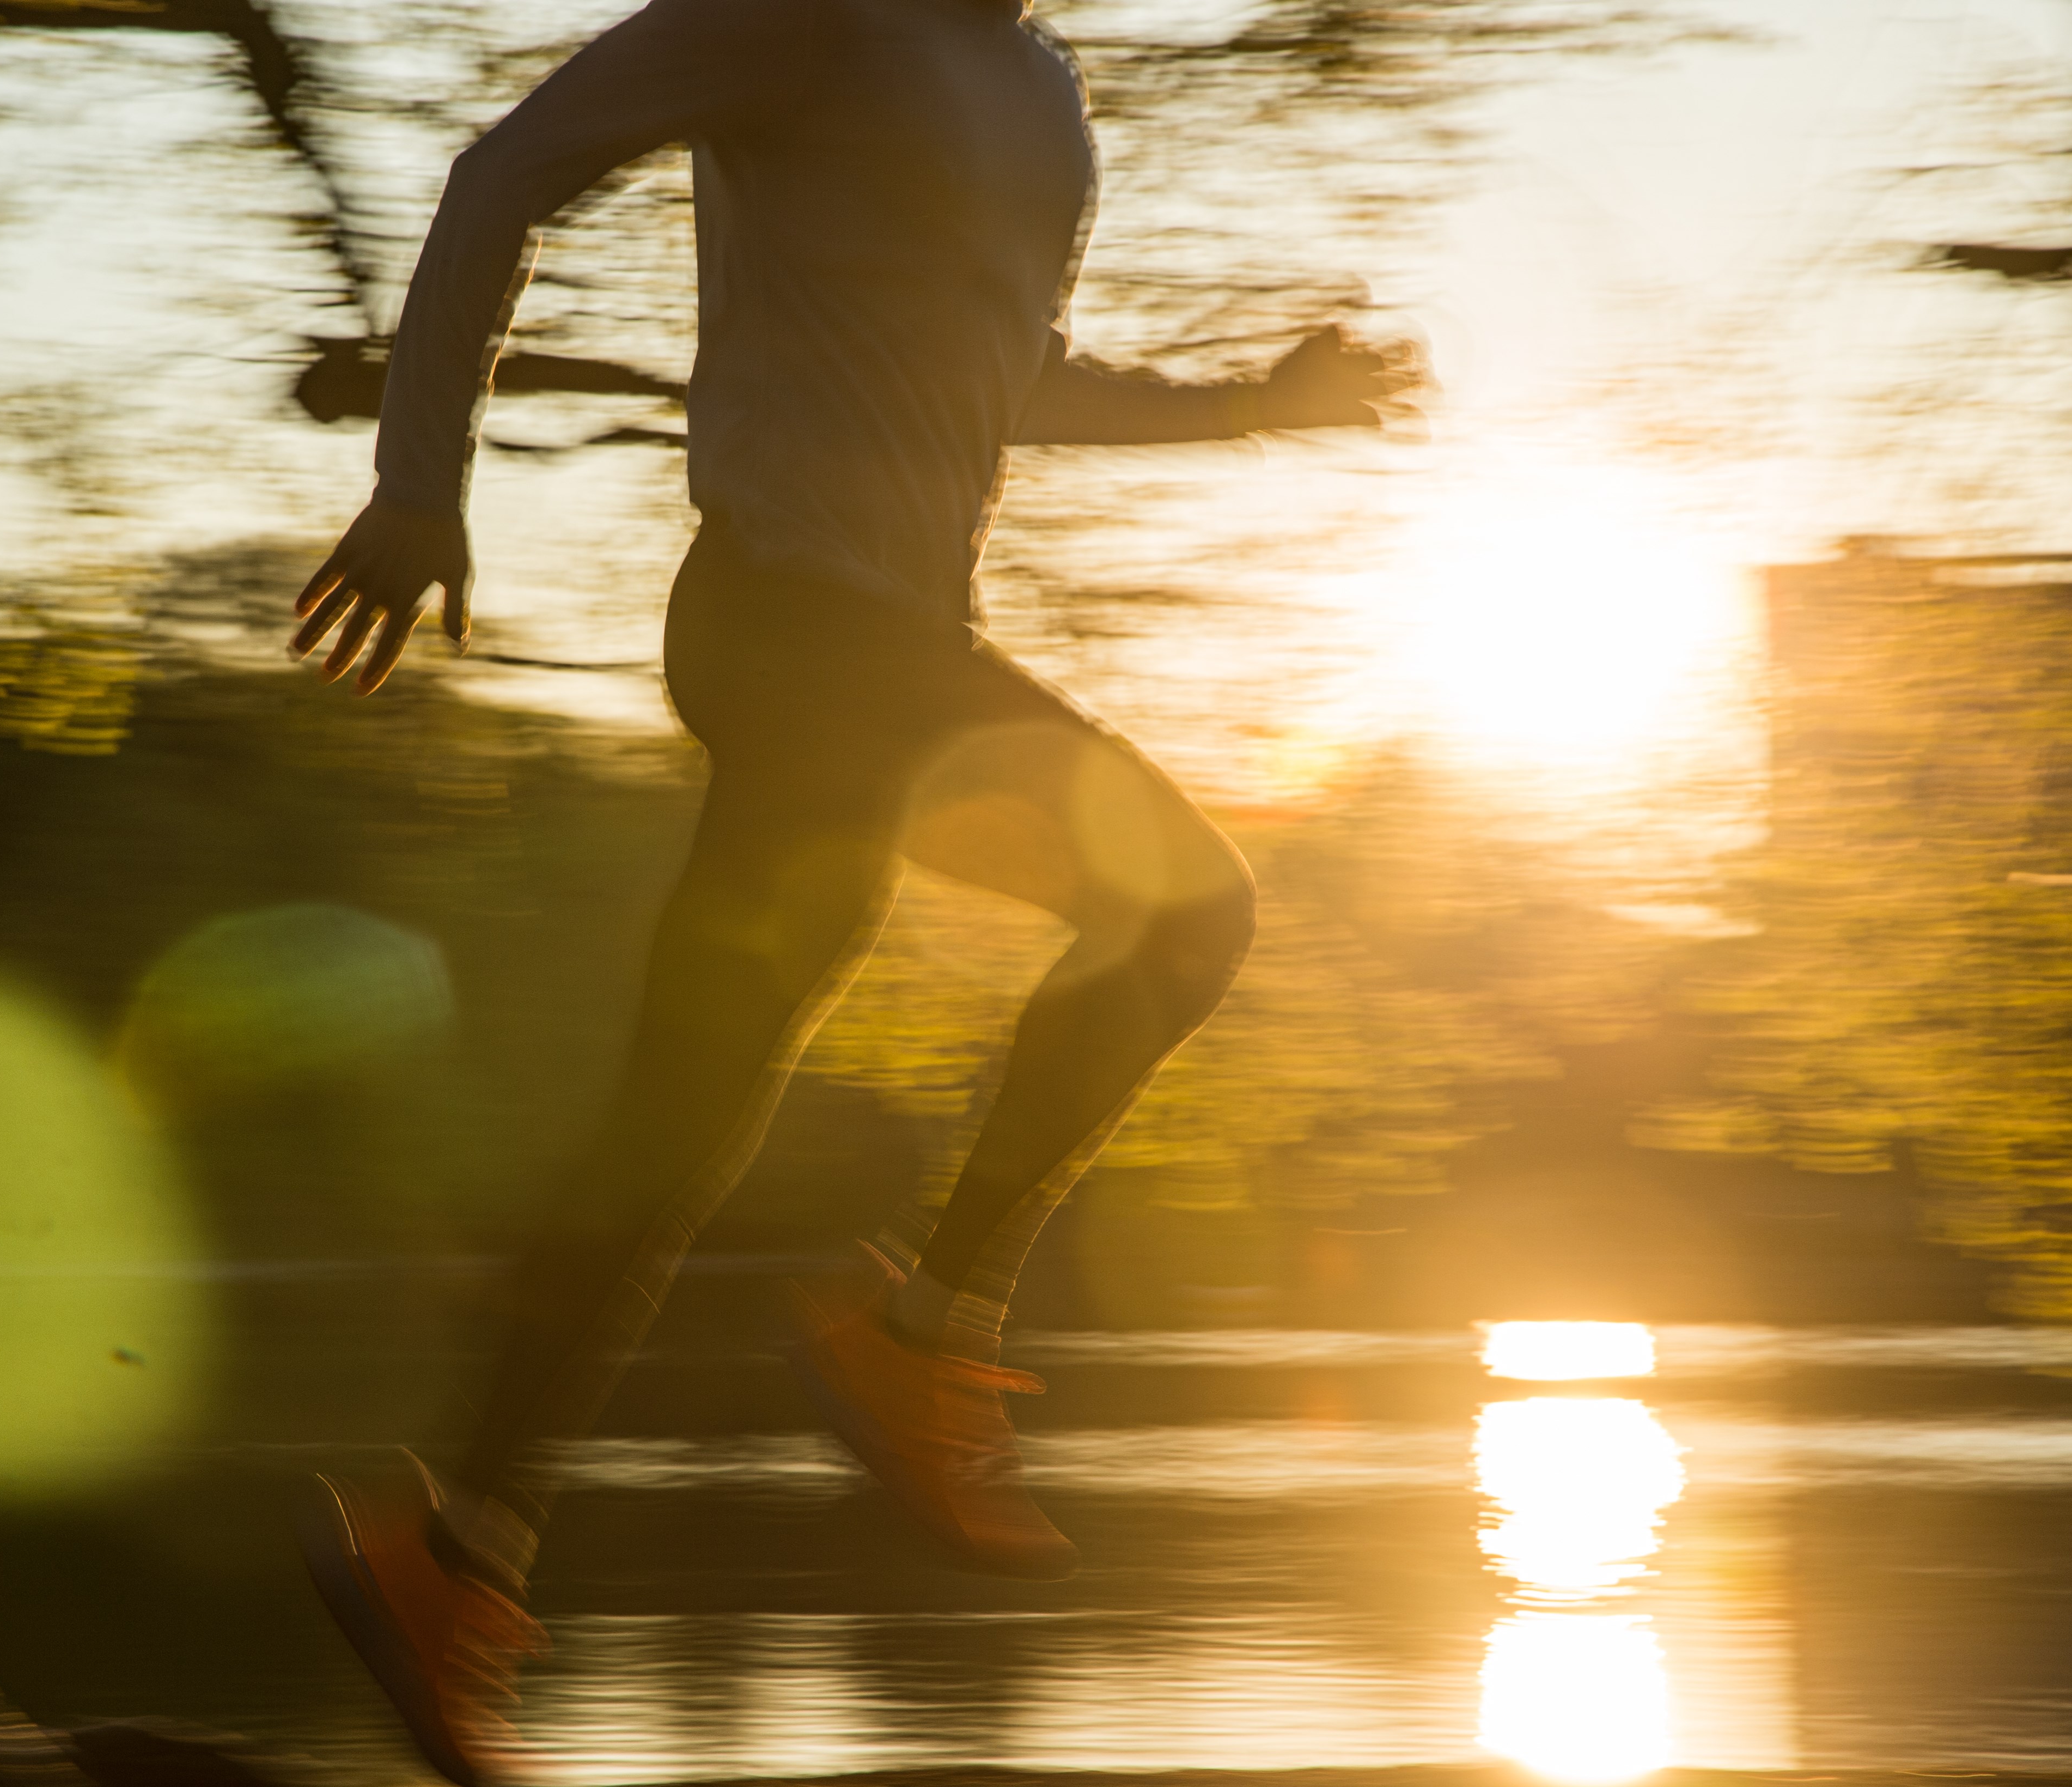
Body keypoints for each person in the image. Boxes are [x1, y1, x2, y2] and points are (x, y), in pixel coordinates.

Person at [284, 1, 1417, 1779]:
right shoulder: (799, 16)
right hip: (793, 618)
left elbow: (1007, 374)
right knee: (1187, 910)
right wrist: (418, 481)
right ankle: (921, 1332)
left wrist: (1248, 411)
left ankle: (453, 1551)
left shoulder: (1041, 94)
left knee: (684, 1118)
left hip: (888, 653)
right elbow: (504, 176)